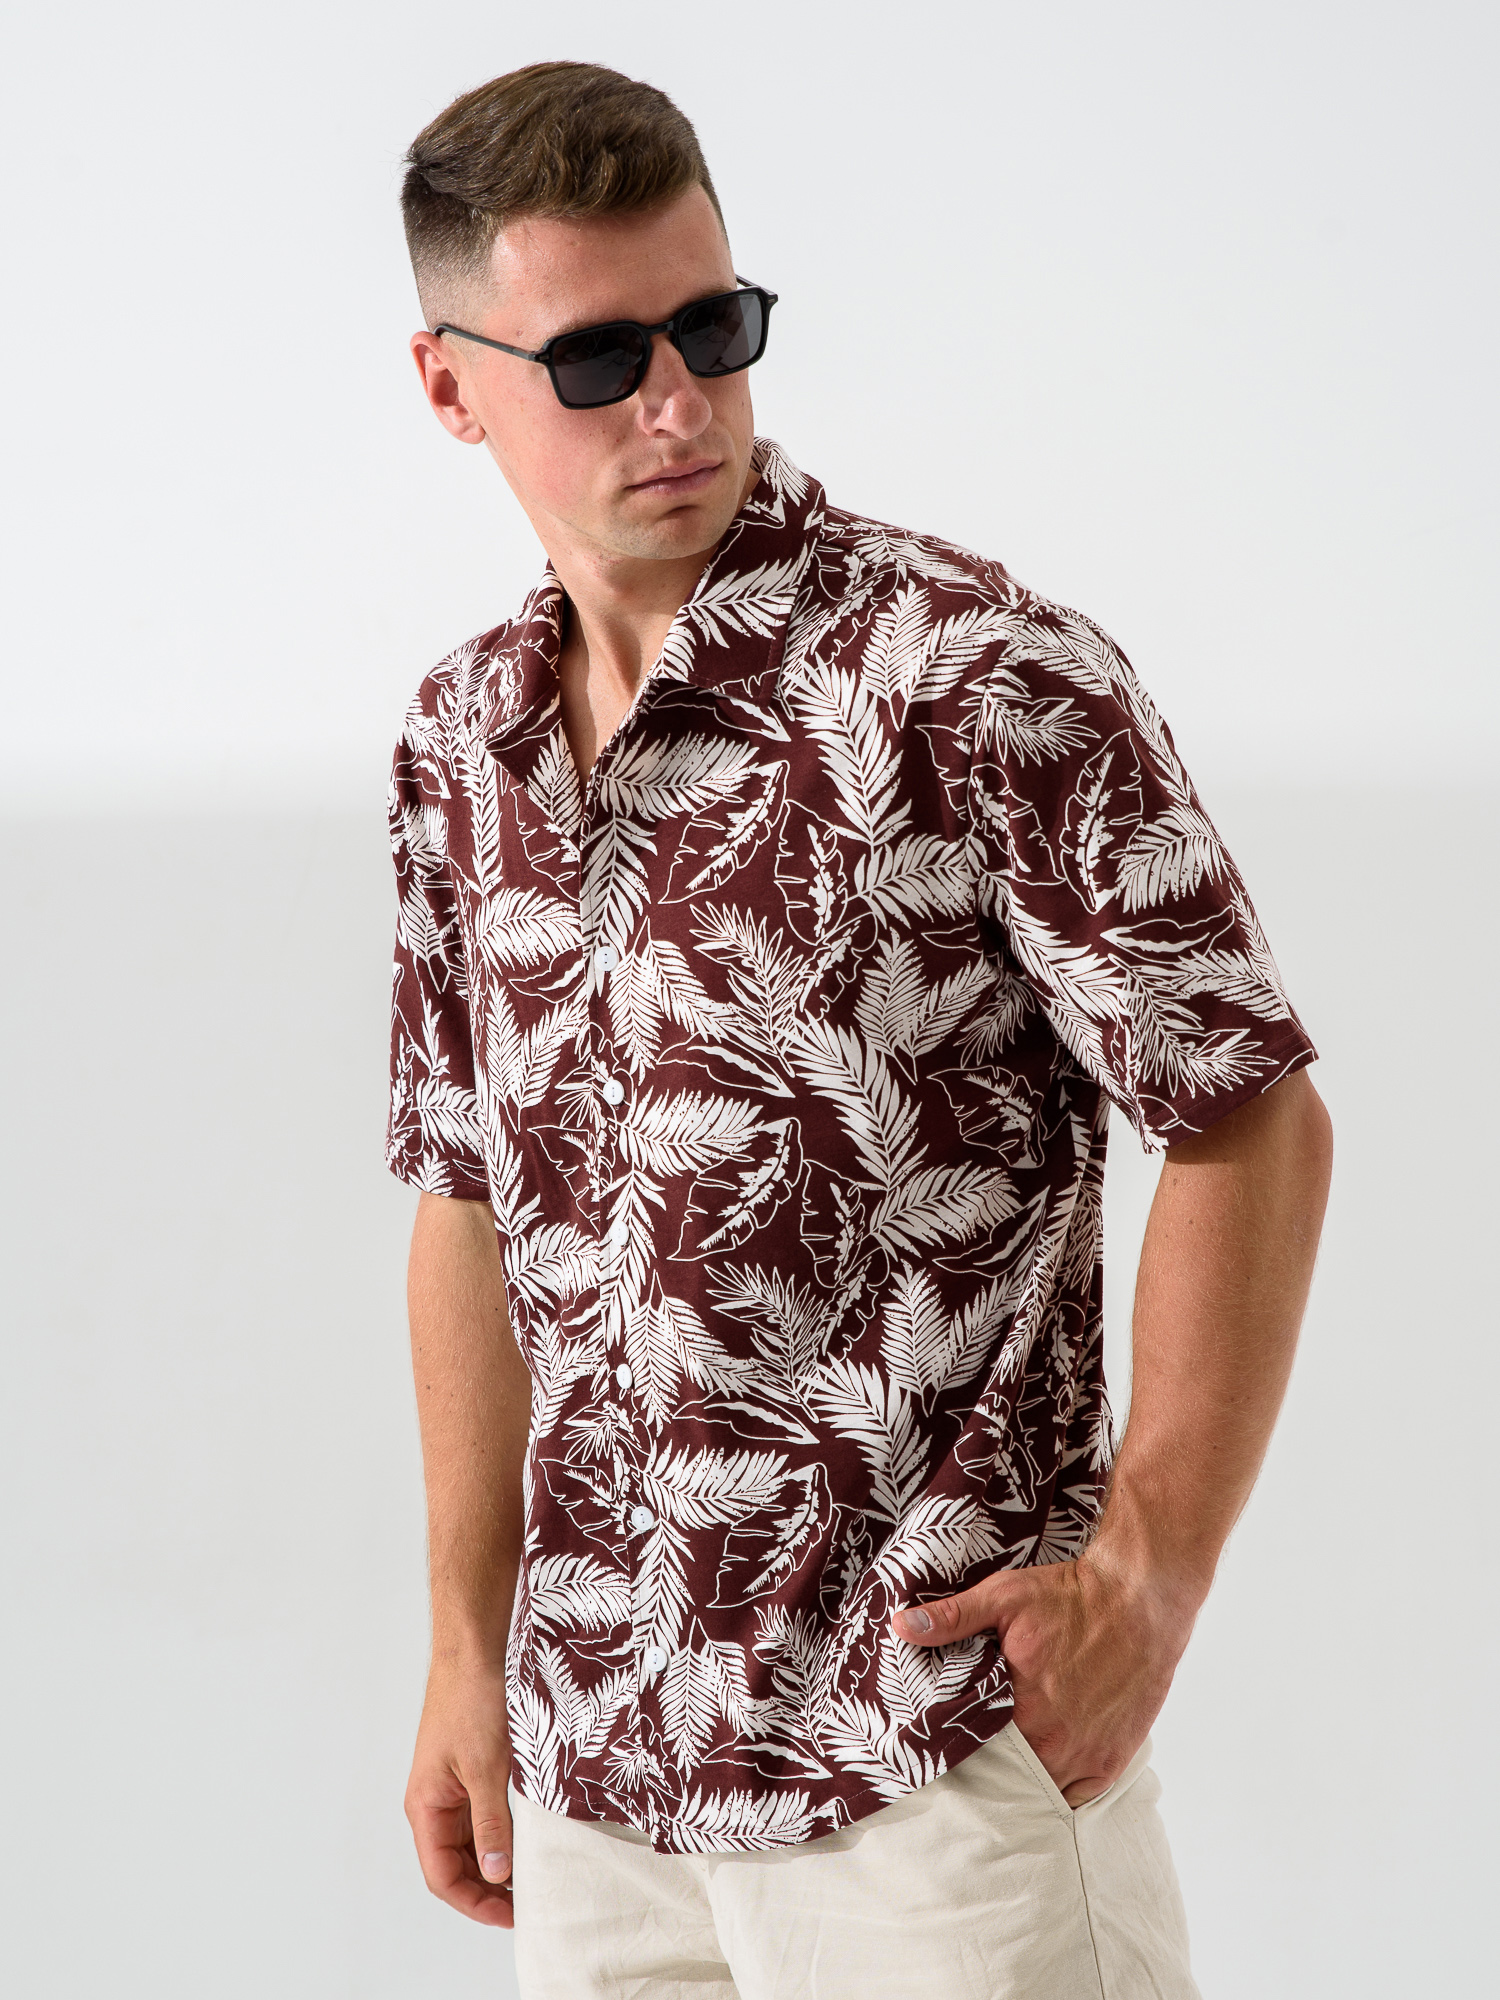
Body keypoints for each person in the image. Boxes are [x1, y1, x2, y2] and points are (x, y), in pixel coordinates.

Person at [387, 59, 1333, 1999]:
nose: (677, 403)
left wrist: (1150, 1572)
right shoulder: (461, 743)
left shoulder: (968, 674)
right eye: (599, 360)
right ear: (451, 386)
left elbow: (1249, 1110)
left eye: (714, 329)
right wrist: (466, 1650)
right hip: (602, 1770)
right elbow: (467, 1198)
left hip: (923, 1755)